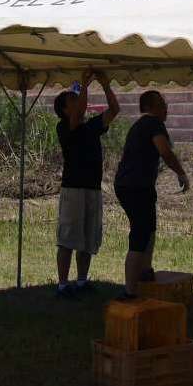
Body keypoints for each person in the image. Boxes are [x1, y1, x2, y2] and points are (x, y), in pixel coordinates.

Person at [114, 90, 190, 298]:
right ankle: (130, 290)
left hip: (133, 185)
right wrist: (181, 173)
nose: (166, 107)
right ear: (150, 107)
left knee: (149, 230)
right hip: (135, 186)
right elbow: (165, 151)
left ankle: (145, 272)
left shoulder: (140, 125)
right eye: (162, 103)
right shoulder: (153, 124)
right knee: (140, 233)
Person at [52, 70, 120, 298]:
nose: (78, 101)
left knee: (88, 237)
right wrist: (83, 84)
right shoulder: (64, 128)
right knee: (68, 238)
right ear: (64, 110)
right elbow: (79, 111)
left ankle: (81, 281)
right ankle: (63, 285)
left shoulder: (91, 127)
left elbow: (114, 111)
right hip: (73, 189)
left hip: (92, 188)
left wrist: (106, 85)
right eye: (72, 100)